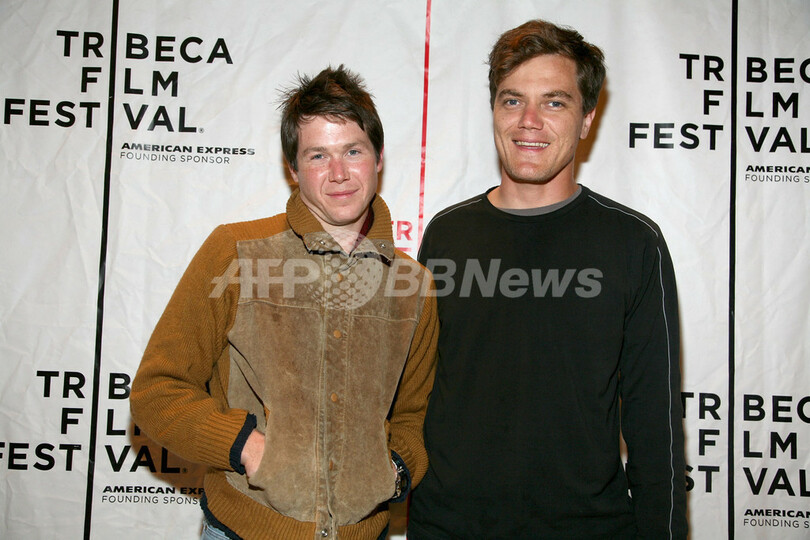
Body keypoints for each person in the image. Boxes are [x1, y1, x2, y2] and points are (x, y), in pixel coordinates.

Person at [130, 65, 438, 540]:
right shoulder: (236, 253)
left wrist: (396, 470)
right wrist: (247, 448)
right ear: (292, 170)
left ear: (378, 158)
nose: (339, 173)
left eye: (353, 151)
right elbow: (157, 390)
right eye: (318, 156)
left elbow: (414, 415)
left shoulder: (414, 286)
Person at [408, 19, 687, 539]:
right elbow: (414, 392)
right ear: (494, 111)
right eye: (512, 101)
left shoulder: (633, 243)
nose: (529, 121)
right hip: (450, 526)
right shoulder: (446, 235)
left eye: (554, 102)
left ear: (587, 119)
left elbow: (655, 425)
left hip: (589, 529)